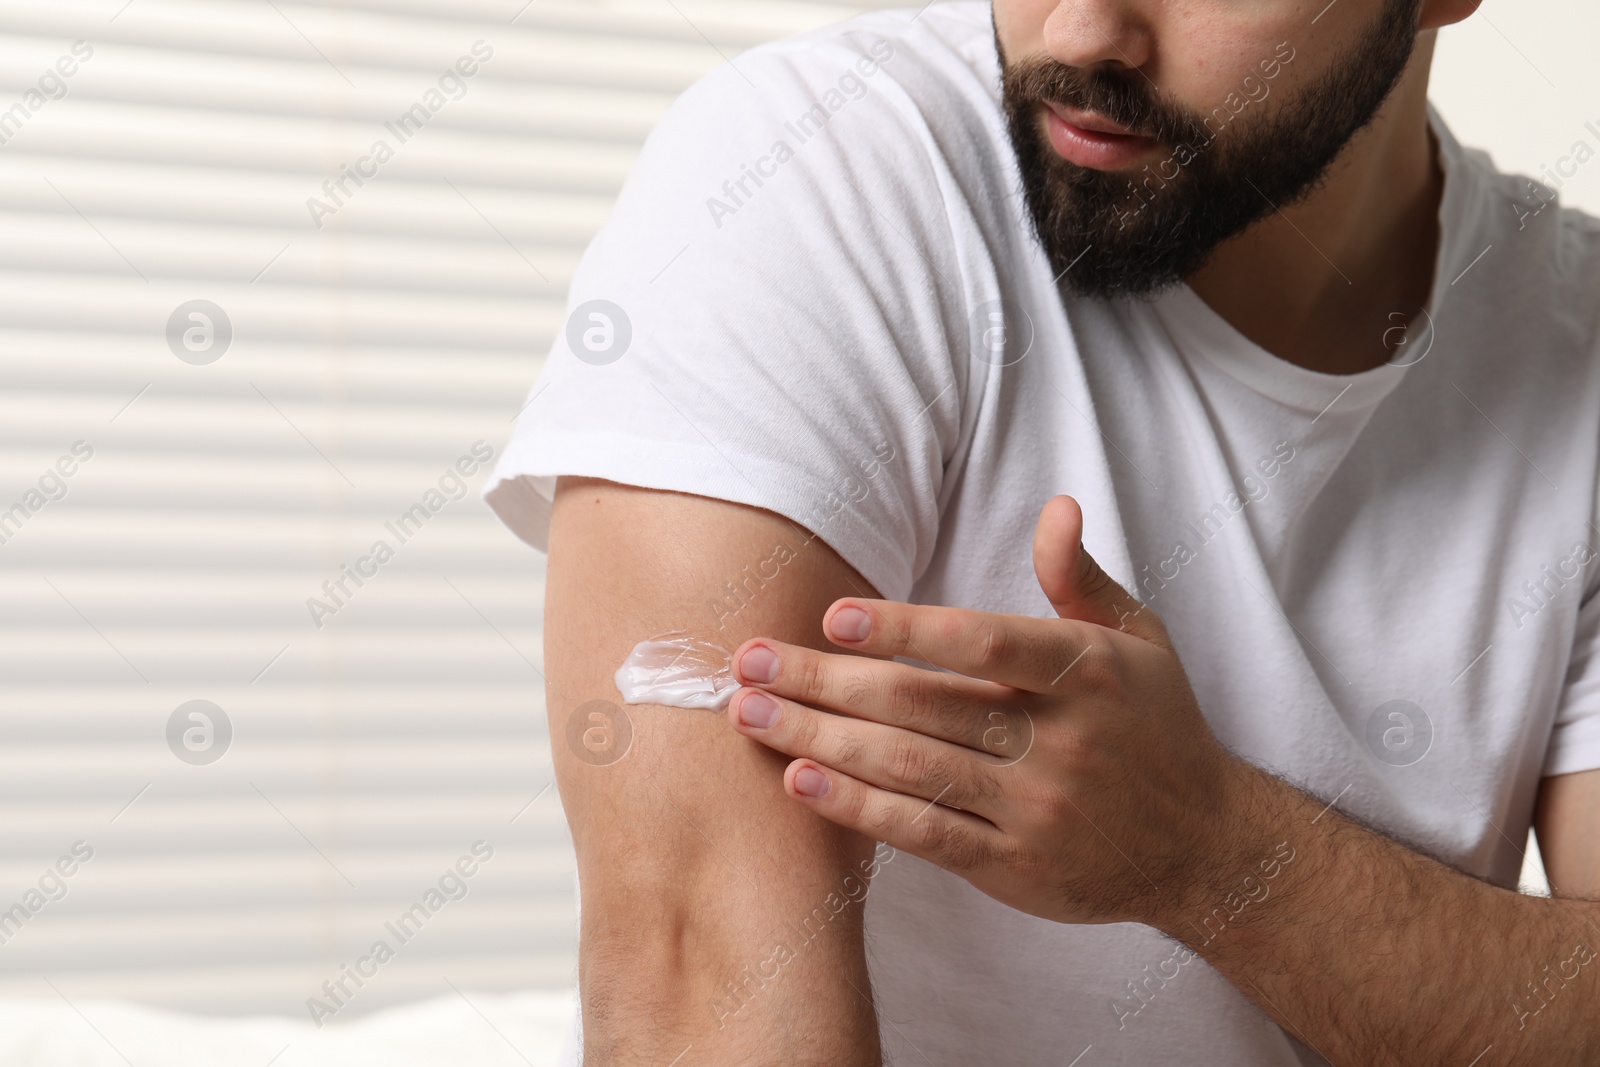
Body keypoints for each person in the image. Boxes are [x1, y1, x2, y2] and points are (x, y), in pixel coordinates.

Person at [485, 0, 1600, 1062]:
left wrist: (1213, 851)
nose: (1078, 34)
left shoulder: (1574, 343)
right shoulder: (815, 170)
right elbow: (695, 979)